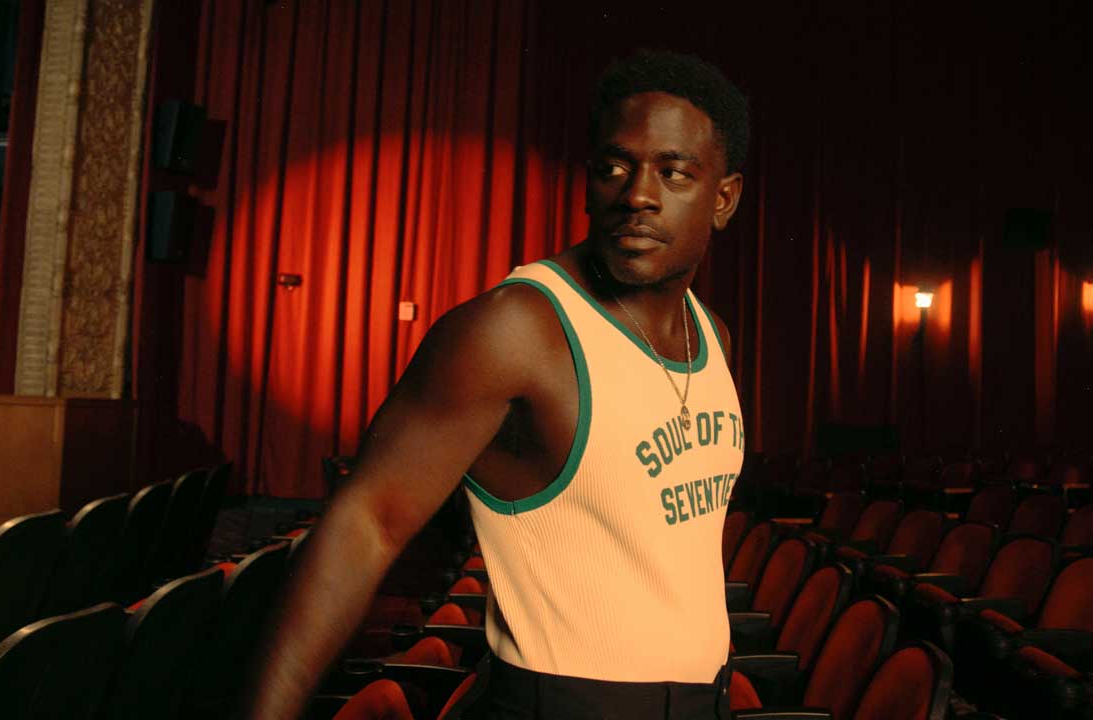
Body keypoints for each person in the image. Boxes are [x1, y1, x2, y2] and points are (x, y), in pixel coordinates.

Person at [244, 49, 749, 720]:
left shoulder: (711, 334)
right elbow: (364, 524)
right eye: (614, 168)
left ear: (723, 199)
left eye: (674, 172)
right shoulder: (518, 330)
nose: (638, 195)